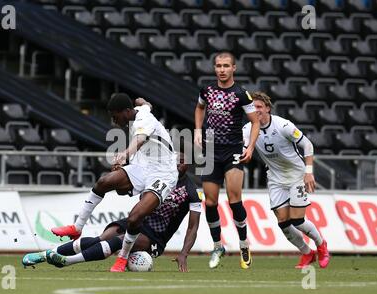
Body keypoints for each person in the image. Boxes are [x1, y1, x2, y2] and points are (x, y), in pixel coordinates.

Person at [49, 94, 178, 272]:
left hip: (163, 174)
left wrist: (125, 154)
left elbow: (140, 139)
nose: (113, 120)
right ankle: (77, 228)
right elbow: (145, 104)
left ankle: (123, 257)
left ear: (126, 112)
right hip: (143, 166)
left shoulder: (144, 119)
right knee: (104, 182)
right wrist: (143, 102)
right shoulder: (141, 110)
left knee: (134, 218)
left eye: (115, 116)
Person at [22, 153, 201, 272]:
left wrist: (183, 253)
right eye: (175, 159)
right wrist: (119, 174)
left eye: (182, 162)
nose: (177, 164)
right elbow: (124, 191)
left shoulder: (190, 191)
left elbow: (193, 227)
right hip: (135, 220)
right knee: (102, 238)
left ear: (188, 166)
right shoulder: (154, 175)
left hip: (155, 237)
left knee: (117, 242)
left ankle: (67, 261)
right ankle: (45, 255)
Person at [242, 91, 330, 269]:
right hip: (275, 178)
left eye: (259, 106)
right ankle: (307, 253)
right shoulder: (247, 129)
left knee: (298, 220)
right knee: (283, 221)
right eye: (253, 107)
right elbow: (245, 149)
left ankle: (321, 245)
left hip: (296, 175)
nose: (256, 110)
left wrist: (309, 171)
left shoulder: (283, 125)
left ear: (267, 108)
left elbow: (308, 144)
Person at [194, 52, 260, 269]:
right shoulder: (207, 90)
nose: (222, 70)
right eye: (218, 66)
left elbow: (255, 122)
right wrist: (197, 130)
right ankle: (217, 245)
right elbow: (200, 107)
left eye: (226, 66)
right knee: (210, 202)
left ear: (234, 68)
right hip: (211, 151)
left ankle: (243, 243)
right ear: (215, 68)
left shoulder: (241, 94)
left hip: (232, 150)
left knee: (234, 199)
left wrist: (250, 146)